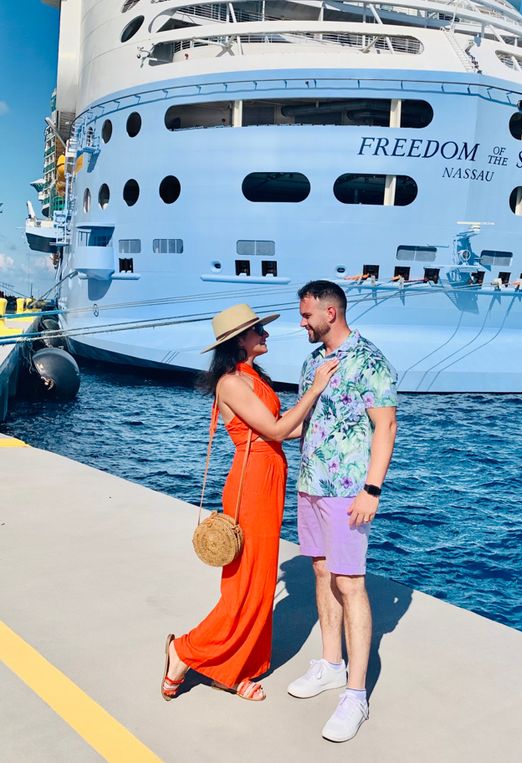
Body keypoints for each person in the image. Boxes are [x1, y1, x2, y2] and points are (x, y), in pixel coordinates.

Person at [161, 303, 338, 702]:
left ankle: (237, 668)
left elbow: (281, 433)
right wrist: (315, 389)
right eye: (259, 330)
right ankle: (184, 650)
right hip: (251, 481)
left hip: (268, 476)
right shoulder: (230, 383)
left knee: (259, 585)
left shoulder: (252, 377)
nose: (266, 335)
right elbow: (275, 427)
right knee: (244, 586)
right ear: (239, 340)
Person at [288, 280, 398, 742]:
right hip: (311, 485)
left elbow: (386, 425)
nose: (302, 322)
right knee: (320, 570)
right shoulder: (314, 361)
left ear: (330, 312)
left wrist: (371, 489)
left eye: (307, 315)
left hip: (348, 490)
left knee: (350, 582)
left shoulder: (370, 361)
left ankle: (356, 694)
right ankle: (331, 664)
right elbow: (307, 422)